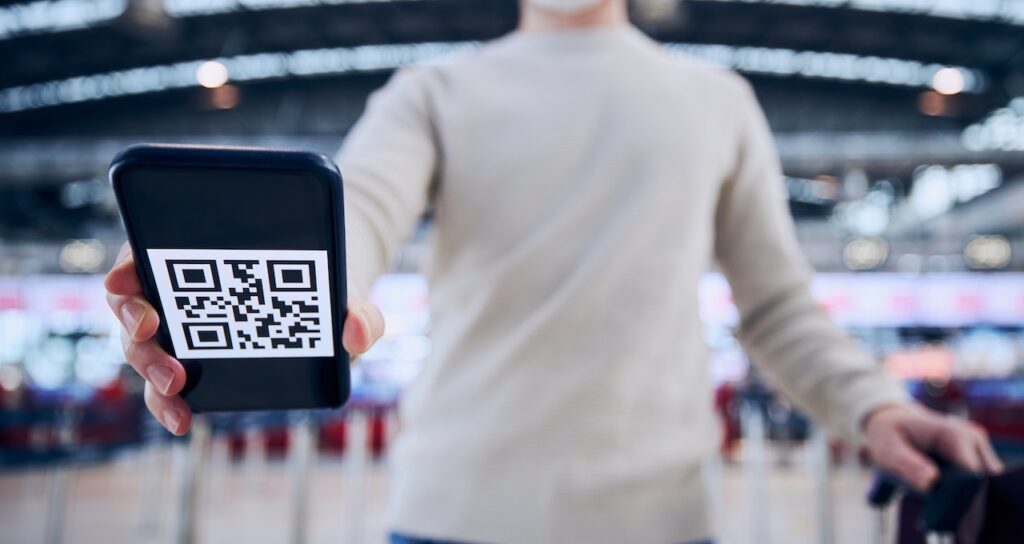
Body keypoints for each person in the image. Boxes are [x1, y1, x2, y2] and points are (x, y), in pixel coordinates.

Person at [104, 0, 1005, 542]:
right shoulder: (432, 92)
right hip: (458, 518)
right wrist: (291, 289)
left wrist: (875, 406)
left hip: (653, 522)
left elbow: (775, 307)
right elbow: (360, 214)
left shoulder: (718, 102)